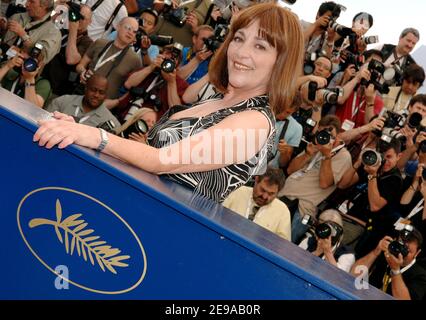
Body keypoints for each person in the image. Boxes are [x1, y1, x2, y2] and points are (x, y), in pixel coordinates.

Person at [33, 2, 305, 203]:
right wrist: (79, 132)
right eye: (239, 38)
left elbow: (162, 161)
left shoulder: (255, 123)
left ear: (281, 62)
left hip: (157, 239)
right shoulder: (217, 102)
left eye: (260, 46)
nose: (242, 52)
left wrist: (93, 135)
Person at [281, 115, 352, 244]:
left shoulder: (343, 156)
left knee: (284, 244)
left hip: (302, 207)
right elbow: (290, 170)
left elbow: (324, 183)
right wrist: (308, 154)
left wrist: (326, 156)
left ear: (338, 134)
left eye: (329, 134)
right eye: (321, 132)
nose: (324, 136)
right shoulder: (316, 143)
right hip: (284, 195)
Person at [75, 17, 143, 99]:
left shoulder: (135, 60)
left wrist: (116, 102)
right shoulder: (99, 43)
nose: (130, 33)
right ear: (118, 27)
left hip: (105, 104)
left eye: (134, 31)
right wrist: (83, 72)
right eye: (128, 28)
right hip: (83, 93)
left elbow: (132, 88)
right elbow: (80, 65)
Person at [351, 229, 426, 300]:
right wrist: (375, 252)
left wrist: (395, 270)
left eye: (407, 250)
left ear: (417, 253)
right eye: (400, 246)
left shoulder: (421, 275)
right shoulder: (386, 254)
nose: (401, 252)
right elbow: (352, 275)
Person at [223, 167, 291, 241]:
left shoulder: (282, 211)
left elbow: (282, 246)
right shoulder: (237, 192)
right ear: (256, 180)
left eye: (271, 194)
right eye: (262, 190)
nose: (265, 196)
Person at [43, 4, 94, 97]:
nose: (78, 20)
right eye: (76, 15)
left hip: (56, 90)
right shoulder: (61, 29)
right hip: (40, 76)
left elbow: (71, 59)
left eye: (82, 18)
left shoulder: (88, 43)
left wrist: (73, 29)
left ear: (90, 21)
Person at [45, 75, 120, 131]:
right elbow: (44, 122)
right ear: (86, 88)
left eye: (101, 92)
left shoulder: (112, 122)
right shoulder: (63, 101)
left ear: (106, 95)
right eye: (93, 90)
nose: (96, 95)